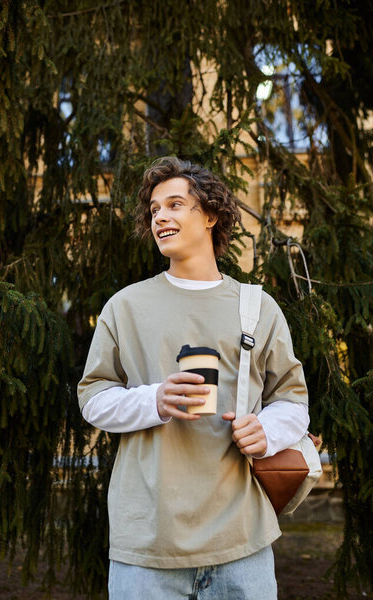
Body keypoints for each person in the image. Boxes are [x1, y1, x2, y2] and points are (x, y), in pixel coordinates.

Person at [78, 156, 309, 599]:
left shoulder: (258, 308)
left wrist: (266, 430)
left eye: (175, 204)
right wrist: (155, 400)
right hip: (148, 543)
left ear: (209, 216)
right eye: (154, 210)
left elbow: (294, 402)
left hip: (242, 540)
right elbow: (93, 398)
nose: (161, 215)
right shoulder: (124, 307)